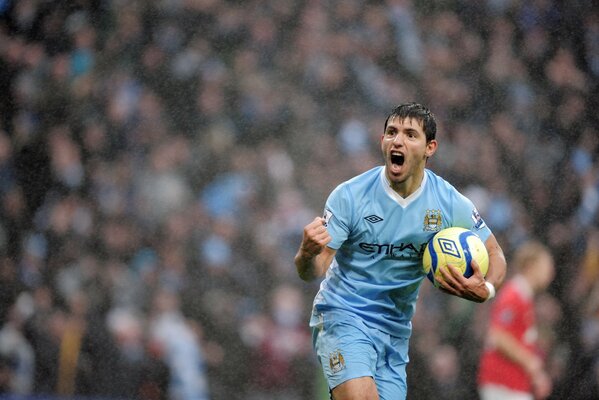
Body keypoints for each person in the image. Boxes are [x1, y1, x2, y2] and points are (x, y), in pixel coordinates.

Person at [294, 102, 507, 400]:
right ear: (382, 142)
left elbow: (495, 253)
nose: (398, 140)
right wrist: (305, 253)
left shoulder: (448, 203)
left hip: (394, 333)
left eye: (410, 134)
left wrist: (487, 288)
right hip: (343, 315)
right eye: (392, 132)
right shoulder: (351, 196)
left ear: (430, 147)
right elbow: (312, 271)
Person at [477, 240, 555, 400]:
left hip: (512, 383)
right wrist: (530, 362)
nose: (550, 272)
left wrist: (537, 375)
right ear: (531, 266)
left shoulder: (524, 297)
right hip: (503, 383)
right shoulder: (514, 295)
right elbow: (498, 335)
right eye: (546, 266)